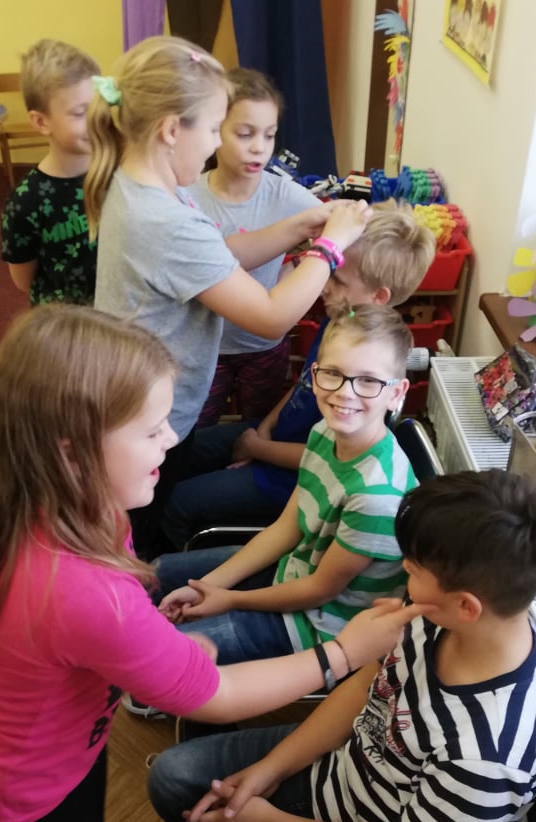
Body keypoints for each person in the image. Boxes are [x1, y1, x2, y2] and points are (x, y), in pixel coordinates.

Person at [0, 303, 431, 822]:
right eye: (151, 429)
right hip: (22, 801)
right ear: (74, 451)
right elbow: (215, 692)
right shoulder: (84, 590)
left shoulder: (84, 512)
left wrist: (169, 642)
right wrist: (346, 652)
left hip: (53, 754)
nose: (171, 439)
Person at [148, 469, 536, 822]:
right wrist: (271, 769)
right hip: (341, 772)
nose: (403, 572)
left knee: (213, 810)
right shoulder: (438, 615)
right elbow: (369, 686)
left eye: (413, 570)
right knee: (172, 777)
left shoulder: (487, 758)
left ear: (466, 606)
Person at [85, 35, 371, 558]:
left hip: (140, 401)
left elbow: (218, 256)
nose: (217, 142)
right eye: (217, 128)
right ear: (172, 130)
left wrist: (300, 225)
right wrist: (329, 247)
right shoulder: (165, 220)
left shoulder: (147, 185)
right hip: (147, 417)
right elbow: (271, 317)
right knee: (142, 536)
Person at [151, 304, 414, 674]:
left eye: (369, 380)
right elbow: (286, 528)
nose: (345, 392)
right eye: (333, 373)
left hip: (318, 628)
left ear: (396, 392)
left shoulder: (377, 497)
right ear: (314, 375)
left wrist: (229, 599)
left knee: (166, 653)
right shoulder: (325, 432)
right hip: (291, 573)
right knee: (155, 574)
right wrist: (206, 588)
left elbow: (319, 591)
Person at [162, 199, 436, 550]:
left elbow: (328, 454)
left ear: (378, 296)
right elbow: (305, 384)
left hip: (294, 479)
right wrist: (265, 428)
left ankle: (168, 565)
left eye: (336, 278)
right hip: (274, 442)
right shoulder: (341, 322)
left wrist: (259, 448)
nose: (323, 285)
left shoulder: (371, 366)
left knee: (176, 504)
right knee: (180, 451)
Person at [192, 68, 320, 428]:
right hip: (205, 346)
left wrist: (297, 268)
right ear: (215, 130)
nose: (259, 147)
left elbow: (335, 224)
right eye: (245, 134)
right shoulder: (189, 195)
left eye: (269, 135)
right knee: (196, 428)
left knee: (260, 427)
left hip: (264, 346)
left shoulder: (287, 195)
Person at [0, 39, 100, 306]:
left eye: (97, 107)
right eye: (80, 113)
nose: (95, 121)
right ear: (41, 122)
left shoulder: (114, 171)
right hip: (64, 322)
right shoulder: (26, 202)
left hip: (117, 315)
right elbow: (24, 280)